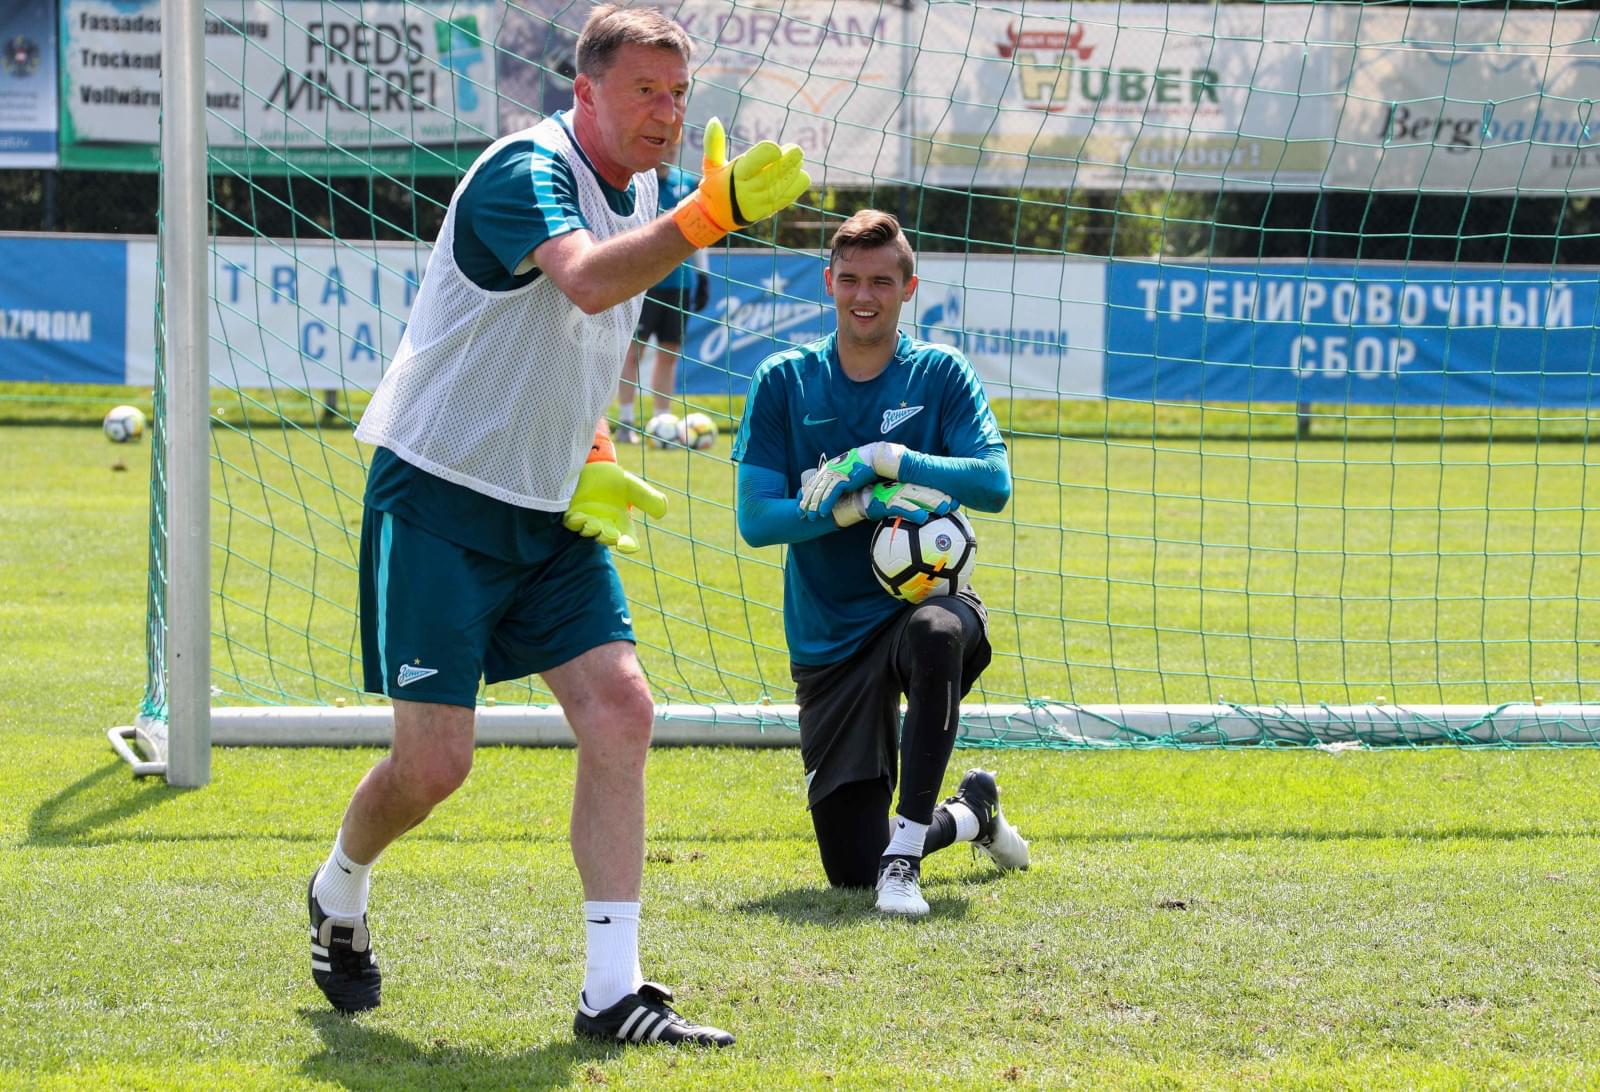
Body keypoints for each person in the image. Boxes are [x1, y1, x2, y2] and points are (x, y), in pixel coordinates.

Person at [308, 5, 808, 1048]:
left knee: (623, 711)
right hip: (440, 493)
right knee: (436, 768)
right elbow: (583, 284)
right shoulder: (522, 171)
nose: (665, 114)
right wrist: (706, 223)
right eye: (642, 91)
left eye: (677, 94)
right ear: (582, 90)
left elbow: (579, 351)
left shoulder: (658, 187)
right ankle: (339, 887)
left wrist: (593, 455)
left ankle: (610, 992)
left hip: (551, 506)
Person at [731, 210, 1029, 917]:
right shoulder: (784, 381)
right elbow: (754, 520)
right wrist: (853, 507)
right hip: (828, 641)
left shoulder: (940, 373)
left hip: (917, 618)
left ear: (908, 288)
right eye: (851, 279)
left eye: (882, 282)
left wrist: (889, 459)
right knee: (847, 869)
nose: (865, 295)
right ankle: (970, 816)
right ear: (828, 281)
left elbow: (993, 484)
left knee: (937, 632)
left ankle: (905, 863)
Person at [617, 151, 710, 441]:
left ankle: (661, 423)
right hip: (644, 285)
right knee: (633, 352)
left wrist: (703, 276)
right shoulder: (635, 182)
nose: (667, 151)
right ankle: (626, 422)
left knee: (669, 353)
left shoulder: (688, 184)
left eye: (673, 144)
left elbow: (700, 232)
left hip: (679, 284)